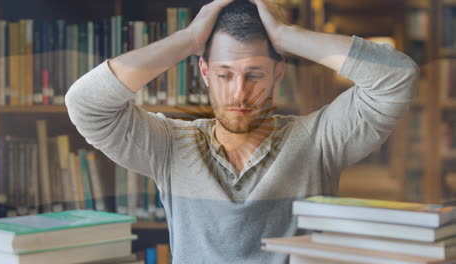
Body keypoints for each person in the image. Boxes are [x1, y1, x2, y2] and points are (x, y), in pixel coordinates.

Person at [65, 0, 419, 263]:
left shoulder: (319, 141)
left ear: (278, 74)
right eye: (225, 75)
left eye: (254, 74)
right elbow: (85, 103)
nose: (239, 93)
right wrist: (189, 39)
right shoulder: (169, 146)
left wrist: (286, 36)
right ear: (204, 72)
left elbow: (395, 77)